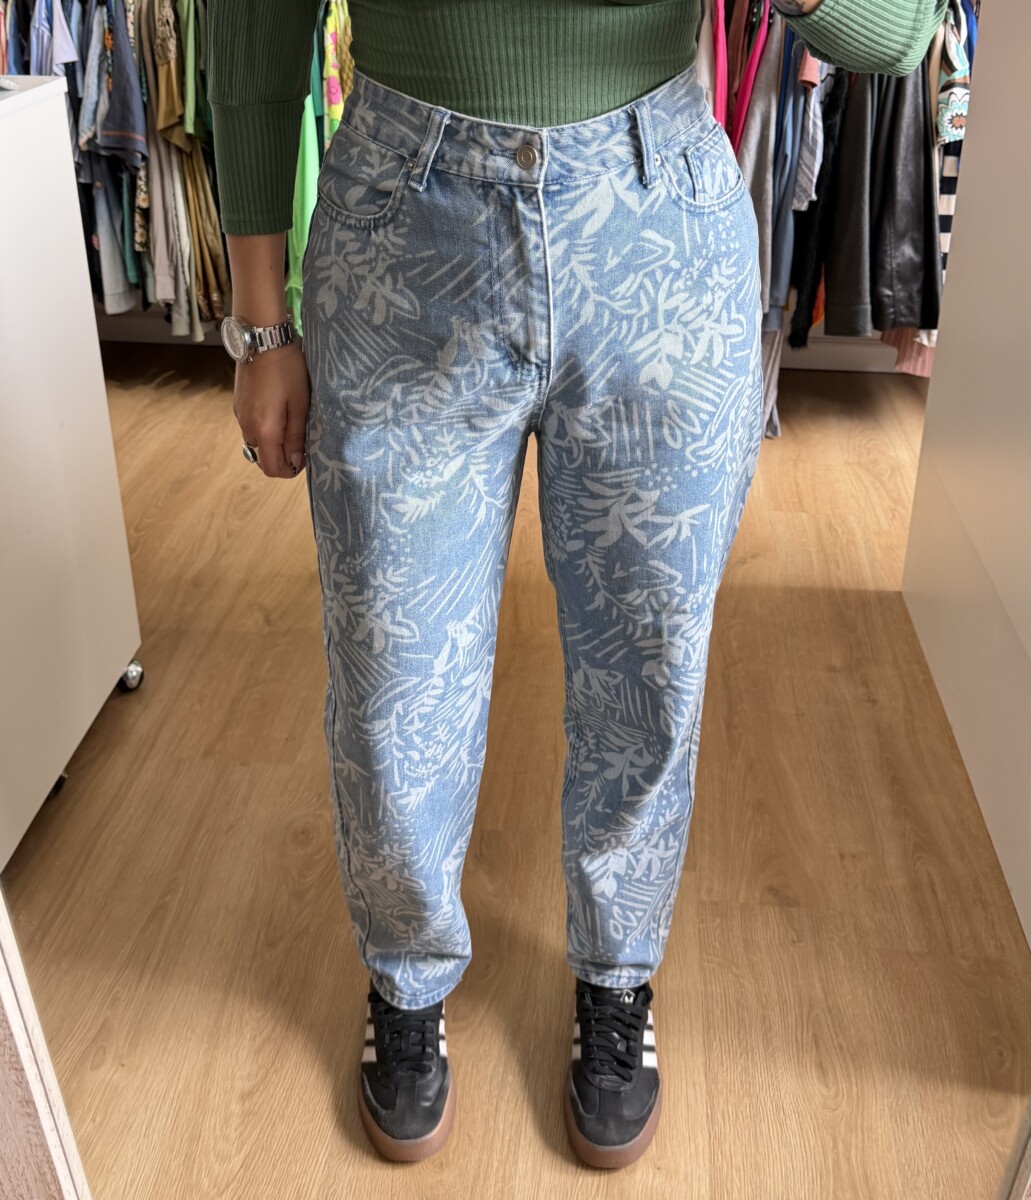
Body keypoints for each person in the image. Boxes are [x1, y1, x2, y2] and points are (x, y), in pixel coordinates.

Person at [207, 0, 945, 1169]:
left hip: (658, 226)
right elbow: (251, 20)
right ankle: (406, 978)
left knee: (648, 660)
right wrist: (258, 323)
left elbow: (892, 33)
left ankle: (616, 972)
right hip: (403, 227)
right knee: (392, 672)